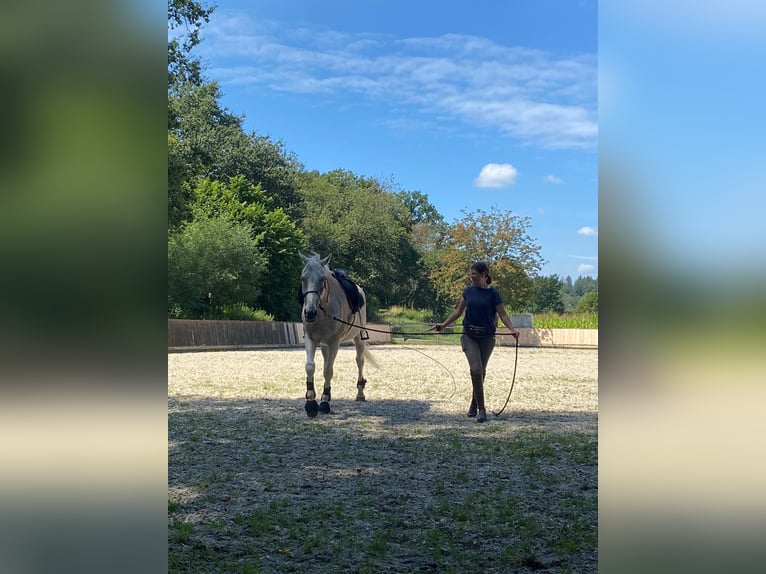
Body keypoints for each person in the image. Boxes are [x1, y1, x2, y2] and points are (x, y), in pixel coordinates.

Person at [432, 262, 518, 422]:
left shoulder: (493, 294)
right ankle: (482, 409)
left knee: (481, 371)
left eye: (474, 274)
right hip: (469, 335)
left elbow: (503, 314)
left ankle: (473, 405)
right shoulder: (468, 292)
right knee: (476, 369)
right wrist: (443, 325)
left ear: (484, 274)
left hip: (487, 337)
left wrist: (511, 329)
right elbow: (458, 312)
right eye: (470, 273)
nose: (472, 276)